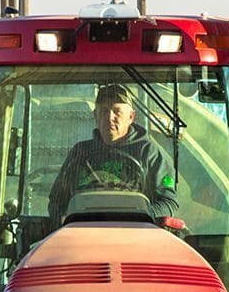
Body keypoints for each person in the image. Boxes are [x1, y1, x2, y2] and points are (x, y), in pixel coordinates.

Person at [47, 83, 181, 224]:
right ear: (95, 116)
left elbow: (168, 201)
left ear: (131, 117)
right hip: (84, 232)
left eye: (117, 111)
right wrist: (63, 218)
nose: (109, 117)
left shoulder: (148, 152)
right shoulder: (80, 152)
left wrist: (142, 216)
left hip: (134, 235)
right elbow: (57, 201)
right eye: (104, 111)